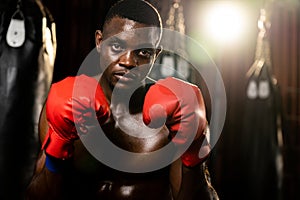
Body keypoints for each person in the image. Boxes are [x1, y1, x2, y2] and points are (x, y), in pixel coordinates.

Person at [25, 0, 219, 199]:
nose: (127, 61)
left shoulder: (174, 114)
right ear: (99, 42)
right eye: (117, 46)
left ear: (156, 55)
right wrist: (58, 144)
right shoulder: (67, 102)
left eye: (143, 52)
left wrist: (193, 152)